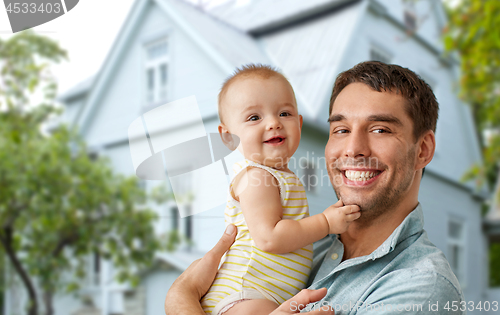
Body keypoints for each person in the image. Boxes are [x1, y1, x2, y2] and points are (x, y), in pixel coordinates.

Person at [165, 61, 465, 315]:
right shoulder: (311, 244)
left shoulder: (422, 286)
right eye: (341, 130)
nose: (353, 149)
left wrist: (182, 297)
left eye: (379, 129)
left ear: (423, 150)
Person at [201, 64, 361, 315]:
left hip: (264, 297)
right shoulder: (255, 177)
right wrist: (325, 223)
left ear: (299, 123)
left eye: (284, 113)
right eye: (255, 117)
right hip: (243, 296)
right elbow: (270, 237)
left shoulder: (279, 176)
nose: (274, 123)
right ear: (228, 137)